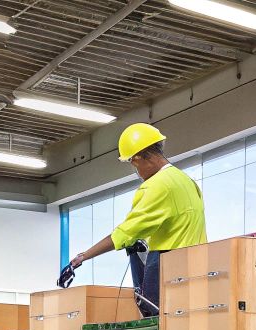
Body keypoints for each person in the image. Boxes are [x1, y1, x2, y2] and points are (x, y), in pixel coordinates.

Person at [61, 122, 206, 316]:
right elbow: (175, 224)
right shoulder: (186, 181)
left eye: (134, 164)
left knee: (156, 318)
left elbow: (126, 233)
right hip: (199, 262)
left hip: (168, 262)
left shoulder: (156, 186)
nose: (136, 171)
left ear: (142, 158)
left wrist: (82, 257)